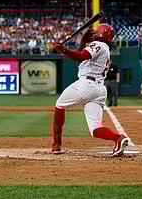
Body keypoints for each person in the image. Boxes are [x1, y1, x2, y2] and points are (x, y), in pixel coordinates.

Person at [51, 24, 129, 157]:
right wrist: (83, 41)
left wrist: (63, 50)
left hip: (86, 85)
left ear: (100, 34)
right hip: (99, 90)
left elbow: (81, 56)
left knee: (59, 105)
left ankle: (56, 144)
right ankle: (118, 138)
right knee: (95, 129)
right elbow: (82, 57)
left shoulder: (98, 44)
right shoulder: (104, 48)